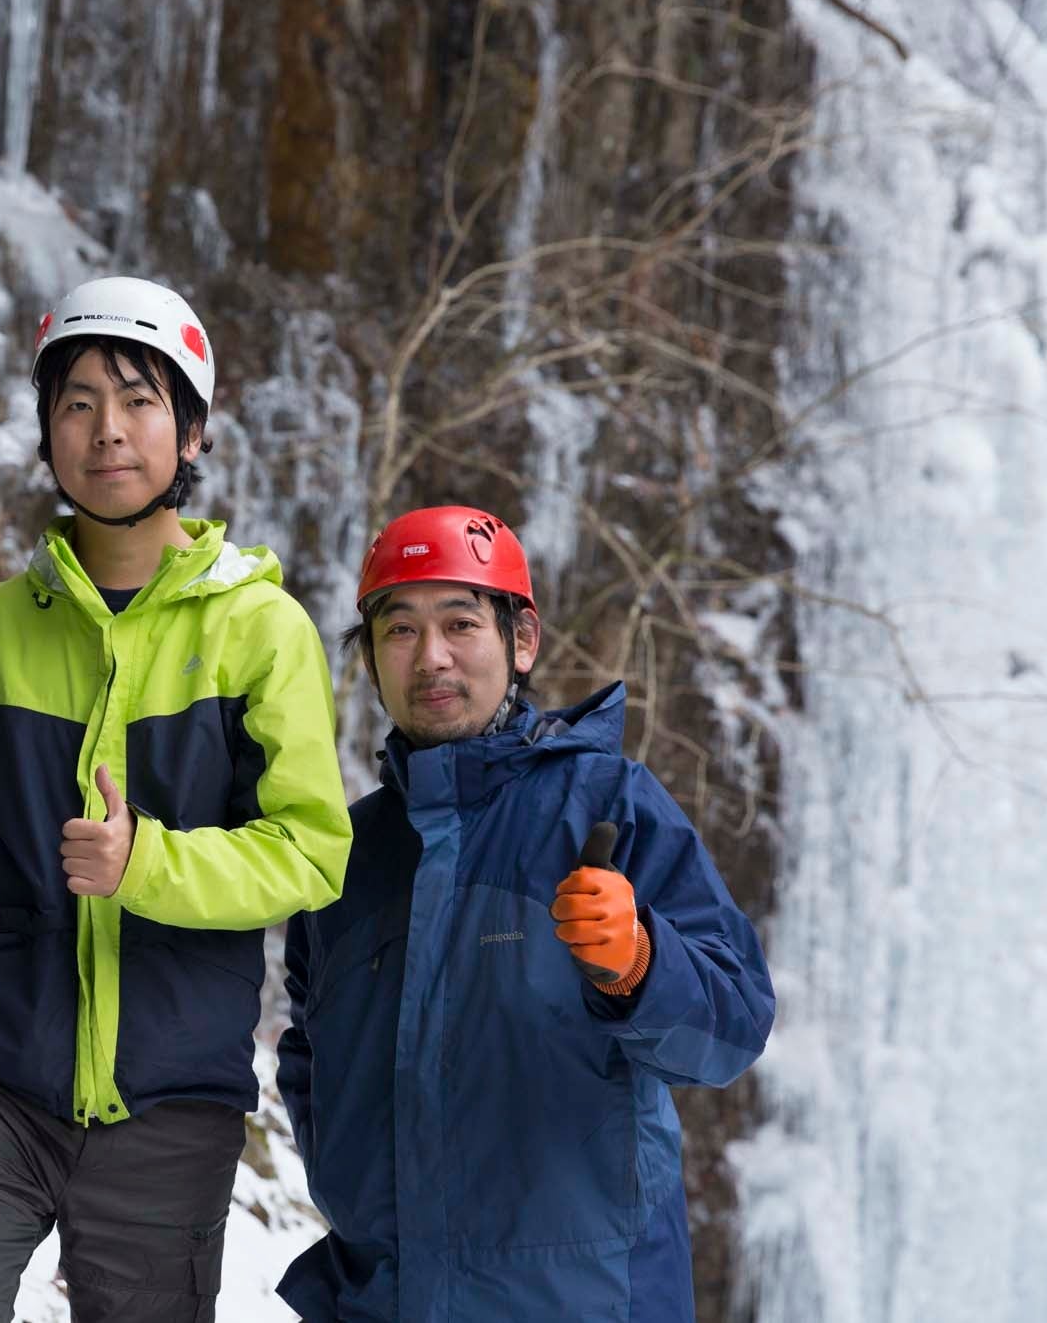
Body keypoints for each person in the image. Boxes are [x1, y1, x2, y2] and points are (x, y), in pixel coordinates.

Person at [0, 276, 352, 1321]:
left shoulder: (261, 633)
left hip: (172, 1096)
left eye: (139, 400)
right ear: (46, 435)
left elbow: (311, 849)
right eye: (76, 402)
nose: (107, 430)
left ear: (190, 431)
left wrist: (148, 866)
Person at [275, 505, 774, 1322]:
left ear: (523, 639)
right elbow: (311, 1058)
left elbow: (734, 1025)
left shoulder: (608, 806)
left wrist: (643, 968)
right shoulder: (347, 855)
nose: (430, 656)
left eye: (460, 622)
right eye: (398, 630)